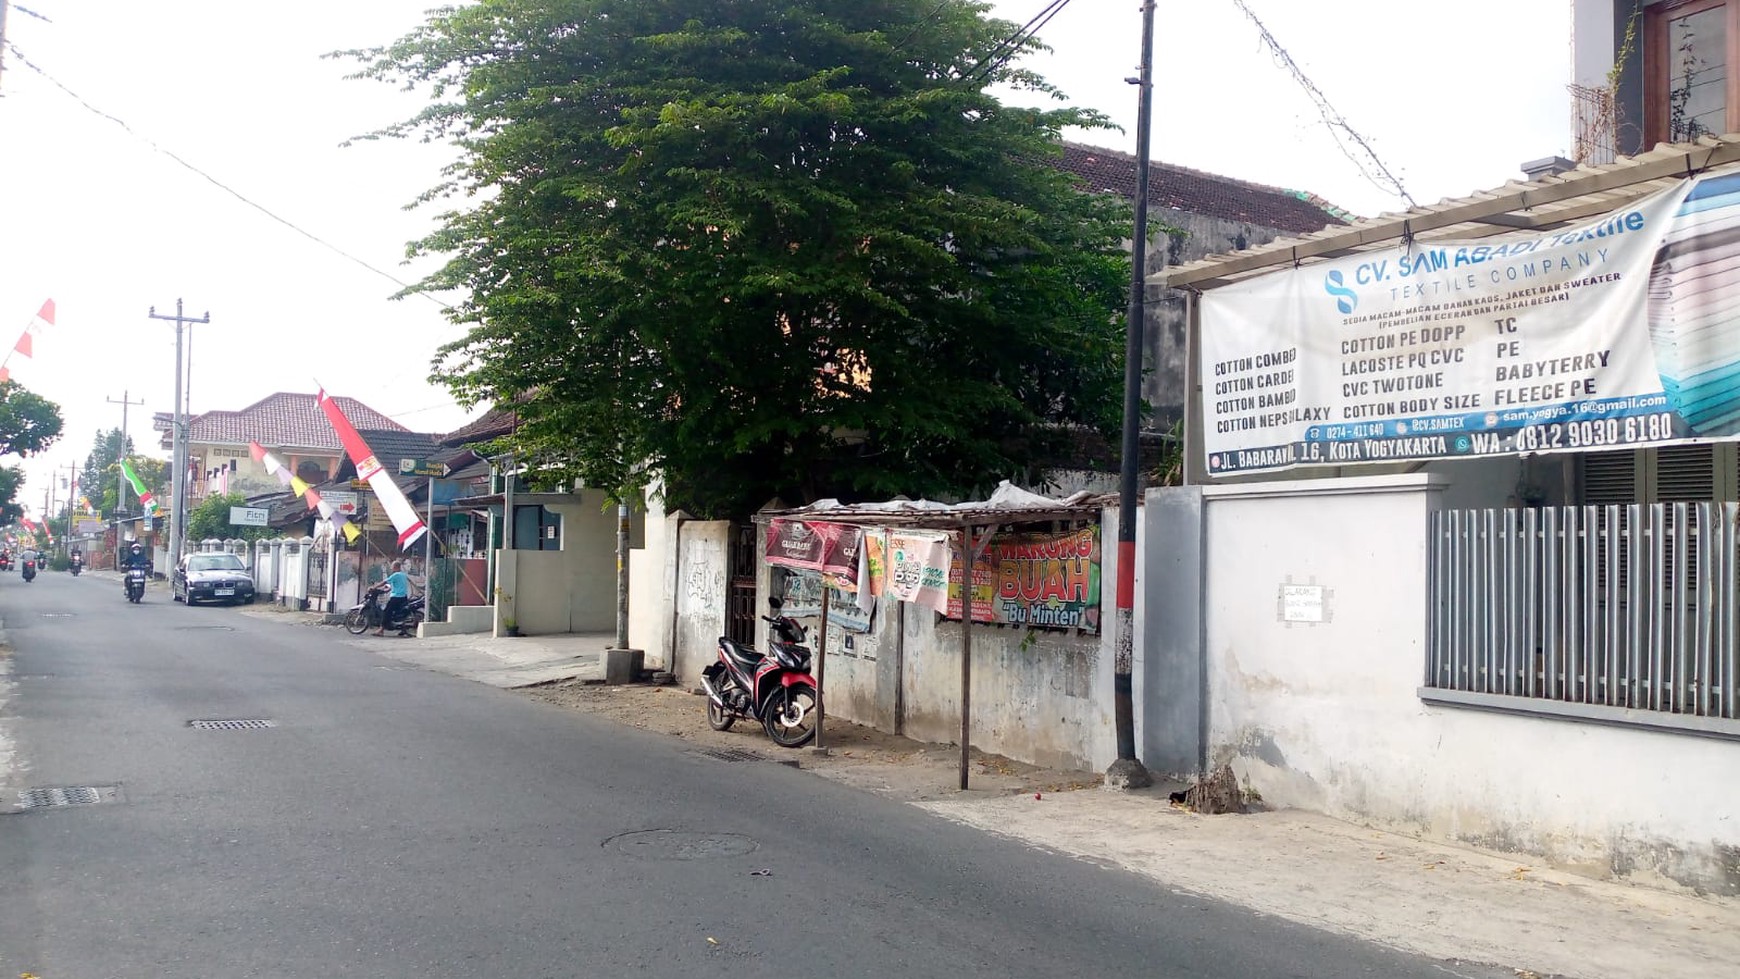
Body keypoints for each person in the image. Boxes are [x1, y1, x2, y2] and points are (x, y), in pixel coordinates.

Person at [375, 560, 414, 637]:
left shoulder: (395, 575)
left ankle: (381, 630)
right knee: (399, 614)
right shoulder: (403, 575)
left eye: (392, 566)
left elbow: (385, 582)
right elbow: (395, 585)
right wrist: (388, 589)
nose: (391, 568)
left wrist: (374, 587)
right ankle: (403, 629)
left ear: (395, 567)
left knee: (386, 612)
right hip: (403, 597)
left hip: (396, 597)